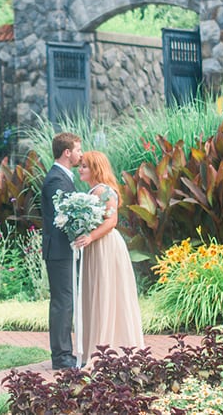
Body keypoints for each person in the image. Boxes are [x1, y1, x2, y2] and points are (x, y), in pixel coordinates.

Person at [73, 150, 145, 367]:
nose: (80, 169)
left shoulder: (106, 191)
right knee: (95, 292)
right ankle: (95, 349)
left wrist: (90, 236)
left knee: (106, 292)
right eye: (81, 165)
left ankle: (109, 347)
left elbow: (111, 221)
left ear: (96, 168)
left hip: (105, 246)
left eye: (84, 166)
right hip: (94, 247)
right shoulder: (93, 190)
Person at [40, 132, 83, 370]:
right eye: (78, 149)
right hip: (59, 251)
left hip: (64, 250)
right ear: (67, 152)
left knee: (66, 301)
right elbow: (65, 215)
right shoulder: (56, 179)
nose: (80, 154)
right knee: (63, 303)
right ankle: (62, 357)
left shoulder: (63, 176)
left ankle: (65, 354)